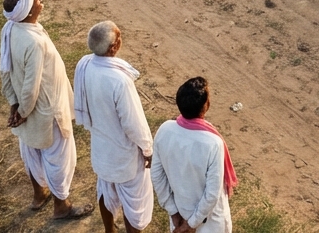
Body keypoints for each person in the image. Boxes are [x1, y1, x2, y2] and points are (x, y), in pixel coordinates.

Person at [0, 0, 92, 220]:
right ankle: (62, 206)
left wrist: (14, 105)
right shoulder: (34, 42)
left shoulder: (10, 29)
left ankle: (39, 194)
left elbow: (5, 71)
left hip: (24, 107)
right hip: (45, 110)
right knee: (58, 158)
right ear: (29, 11)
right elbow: (31, 87)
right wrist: (24, 111)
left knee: (31, 151)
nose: (41, 0)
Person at [74, 21, 154, 233]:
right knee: (133, 204)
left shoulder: (84, 65)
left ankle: (109, 230)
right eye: (118, 38)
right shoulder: (119, 80)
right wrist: (147, 149)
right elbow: (133, 122)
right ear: (113, 47)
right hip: (123, 157)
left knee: (105, 191)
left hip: (101, 150)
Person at [151, 77, 237, 233]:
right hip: (211, 223)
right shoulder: (213, 143)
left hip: (180, 215)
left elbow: (157, 176)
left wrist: (173, 211)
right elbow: (212, 194)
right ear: (206, 106)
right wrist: (191, 224)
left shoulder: (164, 131)